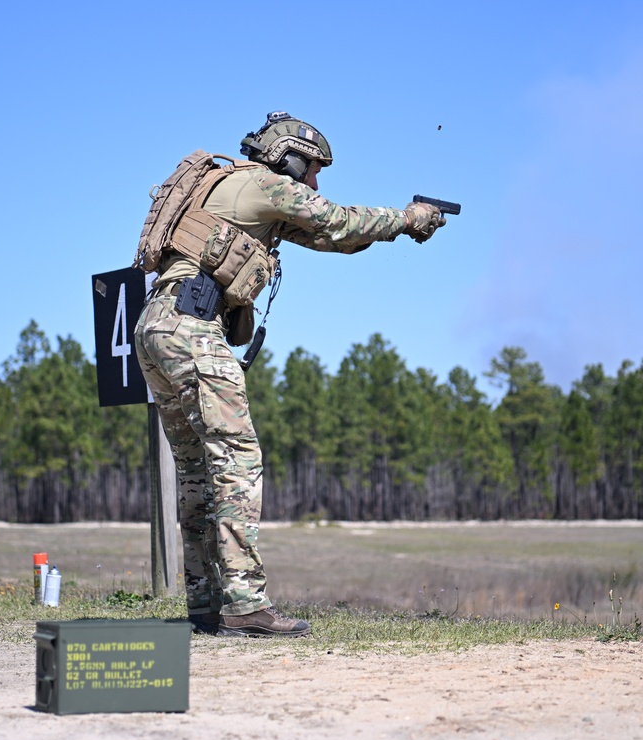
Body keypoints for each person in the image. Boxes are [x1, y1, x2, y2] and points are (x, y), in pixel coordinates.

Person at [134, 112, 446, 637]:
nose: (316, 182)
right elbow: (338, 220)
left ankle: (207, 602)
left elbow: (331, 239)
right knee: (235, 461)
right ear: (290, 159)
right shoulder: (265, 184)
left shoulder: (232, 186)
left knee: (195, 471)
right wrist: (409, 217)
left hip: (158, 327)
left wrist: (390, 231)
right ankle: (244, 604)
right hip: (192, 327)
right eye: (314, 169)